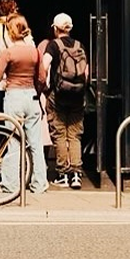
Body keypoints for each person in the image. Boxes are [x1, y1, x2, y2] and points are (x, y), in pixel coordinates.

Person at [0, 13, 47, 196]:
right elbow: (42, 78)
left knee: (13, 141)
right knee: (35, 143)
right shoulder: (35, 52)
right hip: (31, 96)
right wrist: (36, 91)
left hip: (13, 96)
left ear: (10, 31)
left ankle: (11, 185)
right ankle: (39, 183)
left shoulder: (8, 52)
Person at [40, 13, 89, 189]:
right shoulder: (79, 45)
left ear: (55, 28)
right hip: (77, 96)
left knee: (60, 133)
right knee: (75, 135)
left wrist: (43, 86)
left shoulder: (54, 45)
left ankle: (62, 173)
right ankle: (76, 174)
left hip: (58, 96)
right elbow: (86, 73)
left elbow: (44, 66)